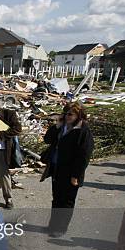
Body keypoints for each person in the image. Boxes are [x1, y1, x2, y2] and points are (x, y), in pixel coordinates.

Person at [40, 101, 94, 237]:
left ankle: (61, 227)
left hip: (71, 172)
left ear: (78, 115)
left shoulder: (83, 131)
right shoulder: (62, 127)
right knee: (56, 198)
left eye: (70, 114)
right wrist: (57, 125)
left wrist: (76, 175)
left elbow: (84, 156)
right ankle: (53, 225)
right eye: (65, 113)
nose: (67, 116)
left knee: (67, 201)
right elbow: (47, 139)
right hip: (57, 168)